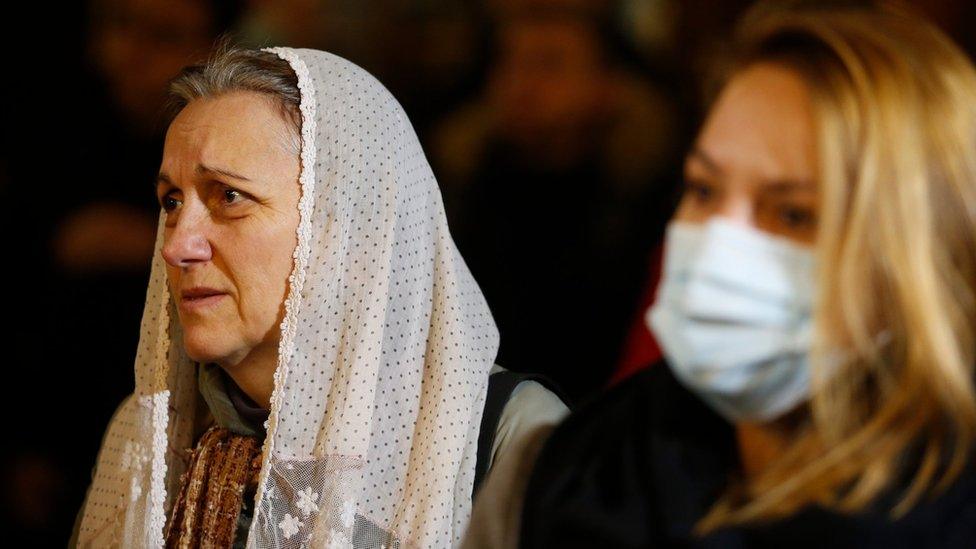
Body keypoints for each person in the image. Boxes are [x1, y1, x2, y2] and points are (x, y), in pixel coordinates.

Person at [462, 2, 976, 547]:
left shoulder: (951, 509)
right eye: (704, 190)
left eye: (793, 213)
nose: (719, 241)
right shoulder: (571, 466)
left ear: (913, 256)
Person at [73, 43, 567, 548]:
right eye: (171, 202)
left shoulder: (510, 437)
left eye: (229, 196)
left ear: (345, 233)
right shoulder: (151, 436)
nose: (177, 244)